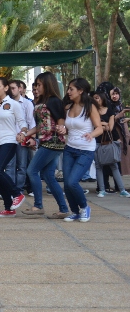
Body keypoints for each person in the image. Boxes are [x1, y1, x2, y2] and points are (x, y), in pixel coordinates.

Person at [20, 72, 70, 218]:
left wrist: (61, 130)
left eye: (39, 84)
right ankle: (63, 209)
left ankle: (38, 205)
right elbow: (40, 125)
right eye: (35, 85)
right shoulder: (41, 101)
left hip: (53, 142)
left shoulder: (54, 101)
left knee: (32, 170)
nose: (36, 87)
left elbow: (60, 120)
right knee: (48, 176)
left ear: (47, 84)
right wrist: (26, 134)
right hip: (46, 141)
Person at [59, 78, 103, 222]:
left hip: (85, 150)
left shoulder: (89, 107)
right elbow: (69, 129)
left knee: (72, 182)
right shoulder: (68, 107)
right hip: (70, 149)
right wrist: (63, 129)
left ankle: (85, 207)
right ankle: (75, 211)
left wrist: (91, 134)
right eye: (68, 89)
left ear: (80, 91)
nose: (68, 92)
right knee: (67, 183)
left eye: (71, 89)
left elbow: (99, 128)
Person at [0, 77, 27, 217]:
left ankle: (17, 194)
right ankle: (8, 208)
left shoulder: (14, 104)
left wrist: (22, 133)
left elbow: (23, 123)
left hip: (9, 141)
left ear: (5, 88)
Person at [91, 92, 130, 198]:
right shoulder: (91, 111)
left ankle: (122, 190)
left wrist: (100, 124)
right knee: (99, 166)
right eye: (94, 98)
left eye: (97, 97)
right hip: (96, 142)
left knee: (114, 165)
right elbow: (94, 126)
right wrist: (104, 124)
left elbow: (110, 128)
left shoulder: (109, 110)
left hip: (108, 142)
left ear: (102, 98)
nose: (96, 100)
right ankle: (102, 190)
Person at [6, 79, 35, 193]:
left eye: (13, 88)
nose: (11, 91)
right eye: (10, 88)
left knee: (22, 166)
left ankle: (18, 189)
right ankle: (10, 189)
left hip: (22, 137)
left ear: (20, 89)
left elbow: (31, 122)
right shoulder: (6, 103)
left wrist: (29, 136)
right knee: (9, 166)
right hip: (9, 138)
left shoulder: (27, 103)